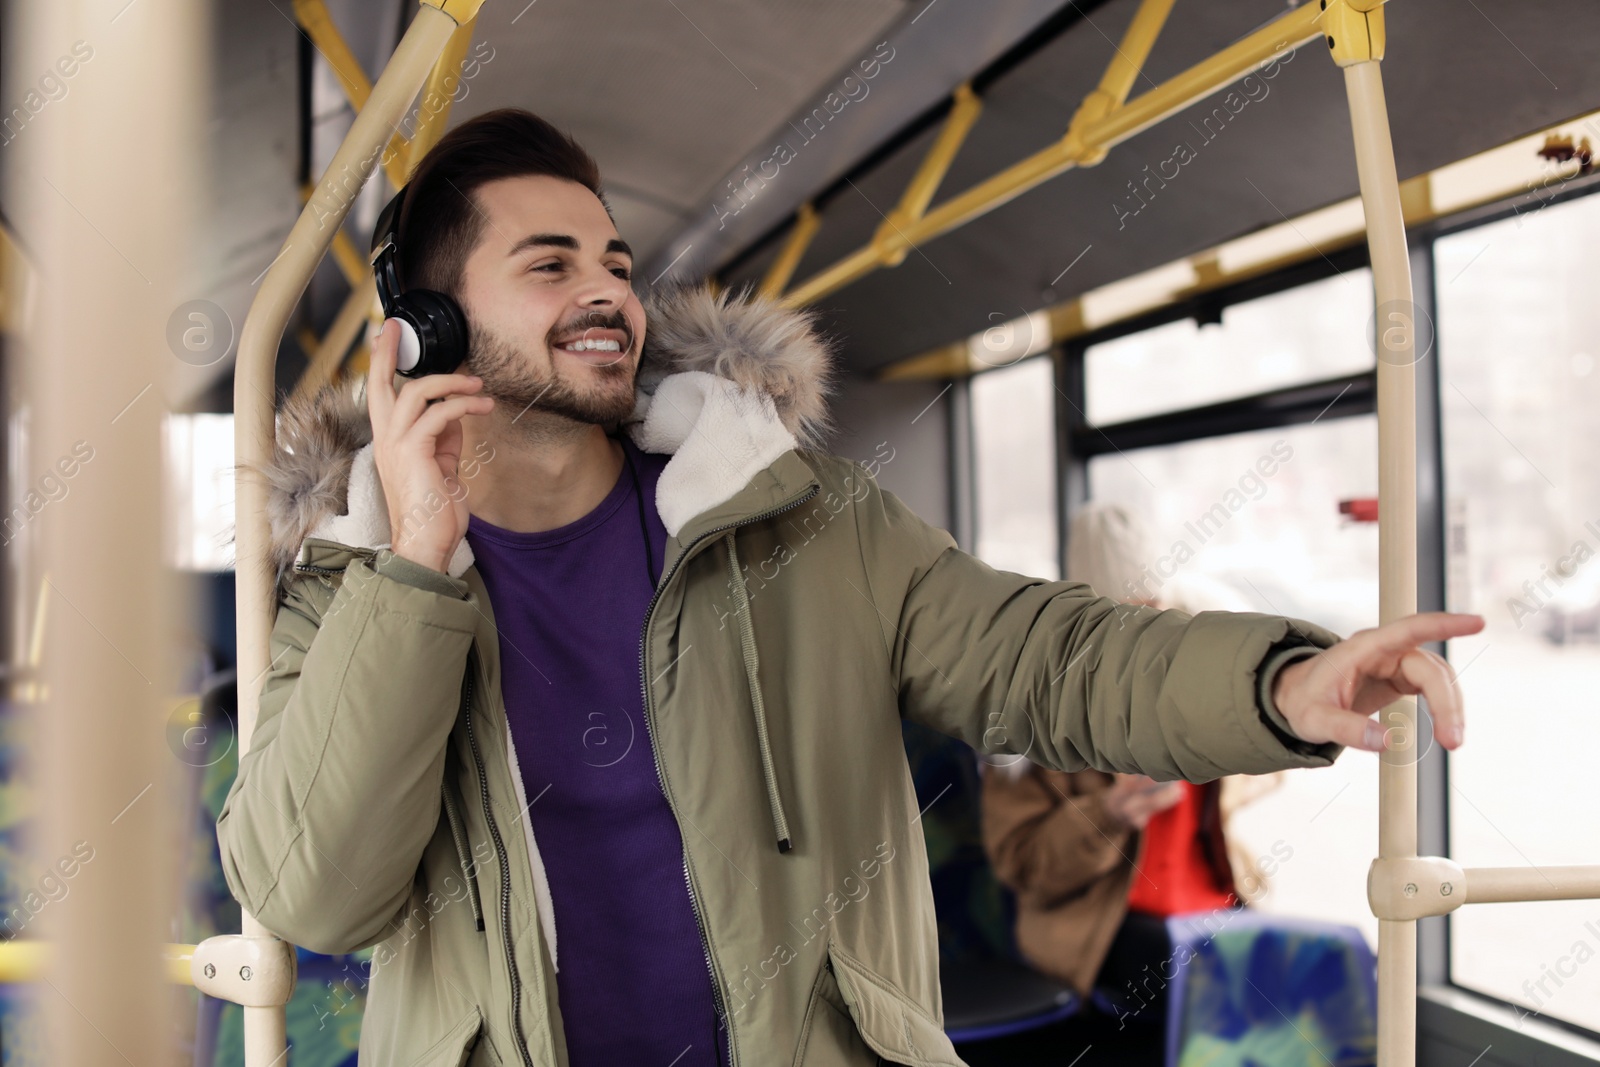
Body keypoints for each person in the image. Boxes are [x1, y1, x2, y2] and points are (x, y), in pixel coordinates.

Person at [215, 108, 1481, 1067]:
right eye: (548, 265)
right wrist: (414, 566)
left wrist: (1278, 680)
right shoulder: (348, 599)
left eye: (613, 259)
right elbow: (316, 891)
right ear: (426, 330)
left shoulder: (796, 520)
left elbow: (1036, 656)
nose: (606, 290)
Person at [981, 504, 1287, 1022]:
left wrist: (1213, 747)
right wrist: (1110, 814)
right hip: (1104, 927)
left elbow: (1270, 769)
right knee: (1204, 989)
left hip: (1214, 912)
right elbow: (1025, 868)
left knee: (1332, 968)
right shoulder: (1031, 715)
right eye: (1118, 624)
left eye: (1152, 617)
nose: (1140, 643)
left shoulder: (1196, 680)